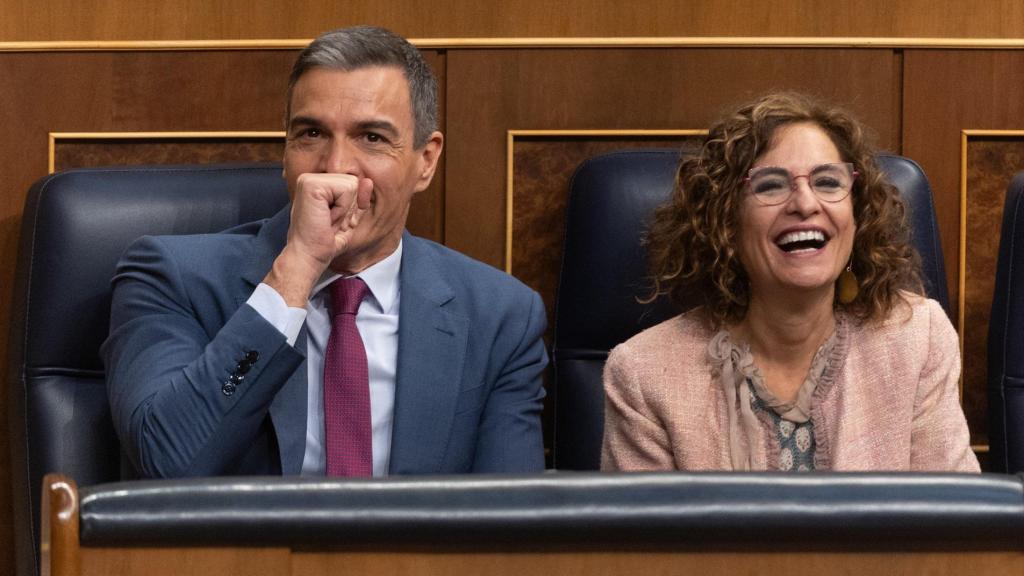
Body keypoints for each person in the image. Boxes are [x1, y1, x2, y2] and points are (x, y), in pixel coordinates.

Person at [103, 26, 548, 478]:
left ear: (426, 161)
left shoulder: (498, 317)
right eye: (312, 134)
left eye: (372, 138)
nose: (336, 168)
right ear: (286, 150)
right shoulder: (172, 279)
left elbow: (511, 525)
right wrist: (295, 273)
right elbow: (169, 460)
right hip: (240, 551)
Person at [601, 92, 979, 472]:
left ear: (858, 216)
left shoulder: (917, 339)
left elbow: (957, 521)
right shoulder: (644, 374)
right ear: (725, 223)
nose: (805, 203)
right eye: (770, 185)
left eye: (828, 182)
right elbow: (644, 532)